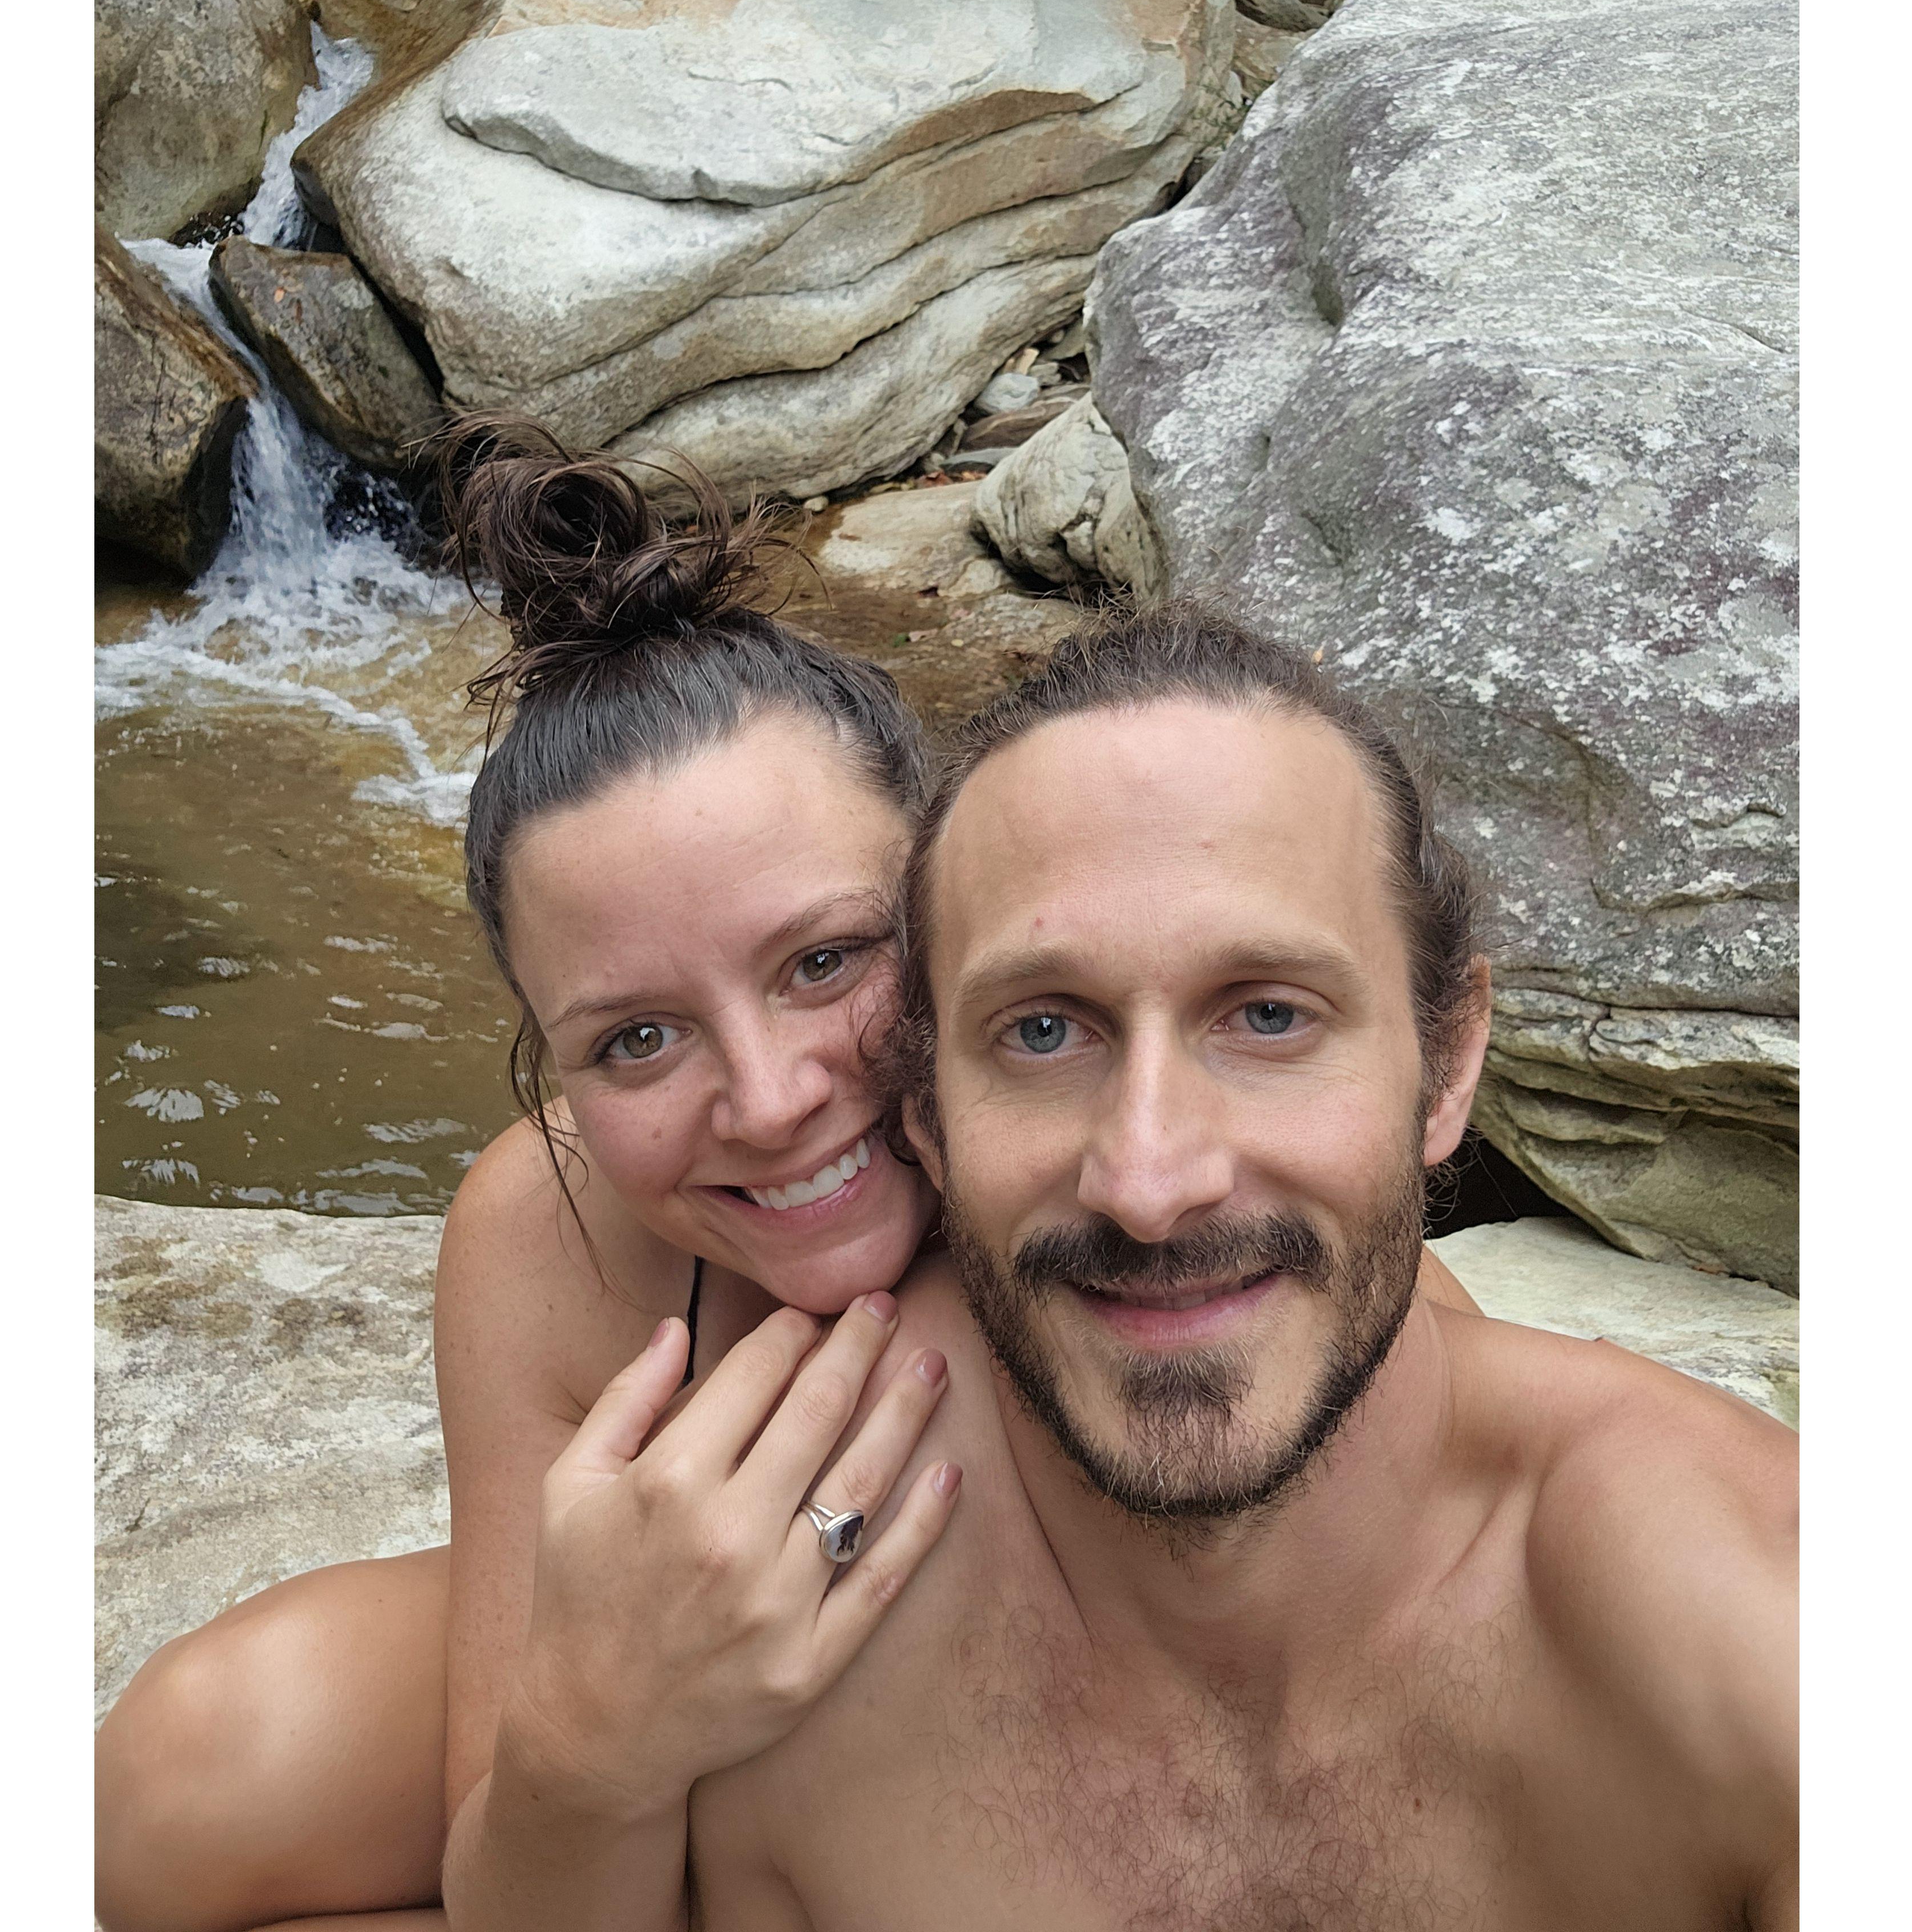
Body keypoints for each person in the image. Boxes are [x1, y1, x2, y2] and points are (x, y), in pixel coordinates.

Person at [92, 435, 1494, 1932]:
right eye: (636, 1040)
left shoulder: (1154, 1196)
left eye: (826, 962)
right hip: (686, 1695)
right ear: (554, 1071)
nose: (769, 1103)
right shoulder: (547, 1235)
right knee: (180, 1791)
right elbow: (514, 1843)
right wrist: (598, 1745)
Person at [451, 606, 1798, 1931]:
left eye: (1267, 1013)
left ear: (1446, 1059)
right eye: (1042, 1028)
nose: (1150, 1182)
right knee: (242, 1752)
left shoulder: (1731, 1621)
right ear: (932, 1086)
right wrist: (585, 1744)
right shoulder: (783, 1650)